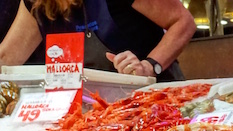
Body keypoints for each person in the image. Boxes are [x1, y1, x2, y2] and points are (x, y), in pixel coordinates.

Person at [0, 0, 196, 81]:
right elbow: (6, 57)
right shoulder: (38, 4)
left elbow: (183, 22)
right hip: (95, 112)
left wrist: (149, 66)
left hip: (157, 99)